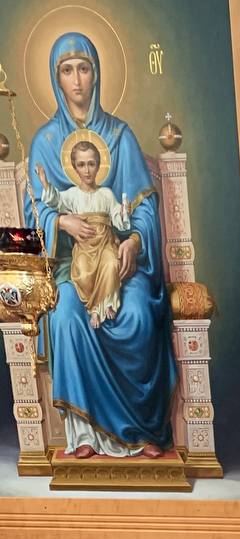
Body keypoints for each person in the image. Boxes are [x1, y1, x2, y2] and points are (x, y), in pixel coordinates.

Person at [26, 32, 176, 460]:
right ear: (56, 78)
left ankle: (144, 429)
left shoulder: (120, 135)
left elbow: (142, 208)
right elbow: (33, 213)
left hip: (119, 262)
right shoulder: (45, 143)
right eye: (67, 70)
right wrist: (62, 221)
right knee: (66, 316)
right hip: (69, 265)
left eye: (84, 68)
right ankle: (85, 434)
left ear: (97, 73)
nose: (76, 80)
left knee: (138, 313)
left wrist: (133, 241)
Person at [36, 144, 130, 330]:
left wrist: (124, 212)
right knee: (83, 272)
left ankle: (106, 304)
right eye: (81, 165)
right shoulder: (72, 194)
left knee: (111, 263)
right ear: (75, 167)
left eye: (91, 164)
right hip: (85, 246)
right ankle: (93, 307)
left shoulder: (106, 194)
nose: (87, 170)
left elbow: (118, 221)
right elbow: (56, 201)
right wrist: (45, 184)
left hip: (105, 243)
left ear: (98, 165)